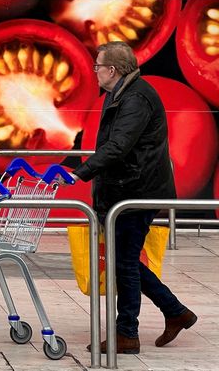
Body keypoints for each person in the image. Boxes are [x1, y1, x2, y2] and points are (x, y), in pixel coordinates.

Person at [69, 41, 196, 354]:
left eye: (98, 66)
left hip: (137, 191)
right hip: (129, 188)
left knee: (124, 263)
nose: (94, 70)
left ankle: (127, 333)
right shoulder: (122, 93)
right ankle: (175, 312)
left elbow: (118, 146)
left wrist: (79, 173)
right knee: (123, 261)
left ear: (112, 69)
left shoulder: (136, 97)